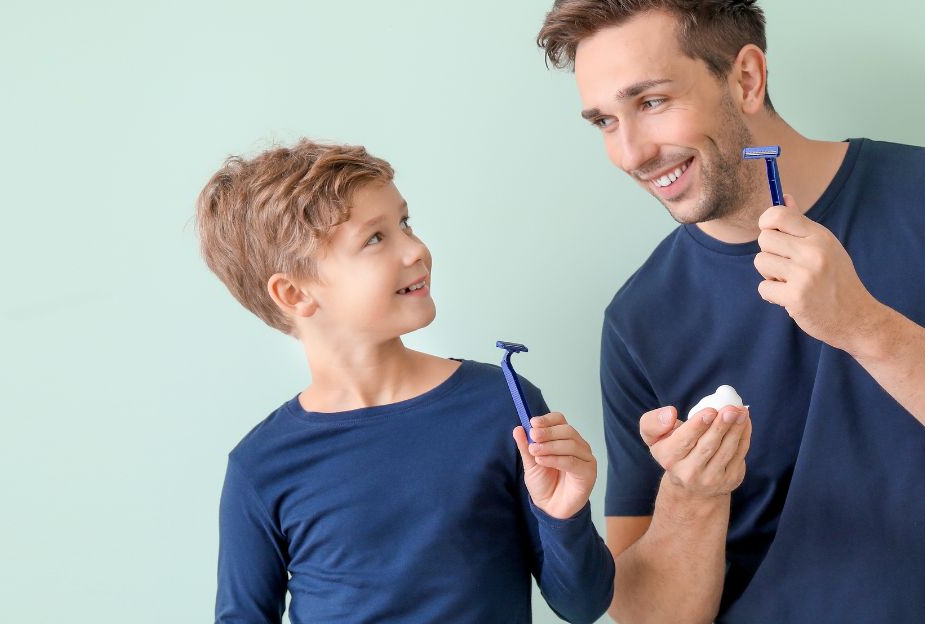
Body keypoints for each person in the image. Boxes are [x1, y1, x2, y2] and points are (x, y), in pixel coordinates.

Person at [537, 0, 925, 623]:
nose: (630, 152)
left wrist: (866, 327)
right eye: (606, 121)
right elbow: (649, 617)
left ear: (746, 78)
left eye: (653, 101)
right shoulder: (641, 318)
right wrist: (695, 495)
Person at [196, 139, 614, 623]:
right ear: (294, 293)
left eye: (405, 223)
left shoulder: (502, 405)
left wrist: (563, 514)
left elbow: (582, 605)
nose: (416, 250)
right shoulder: (261, 466)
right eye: (375, 238)